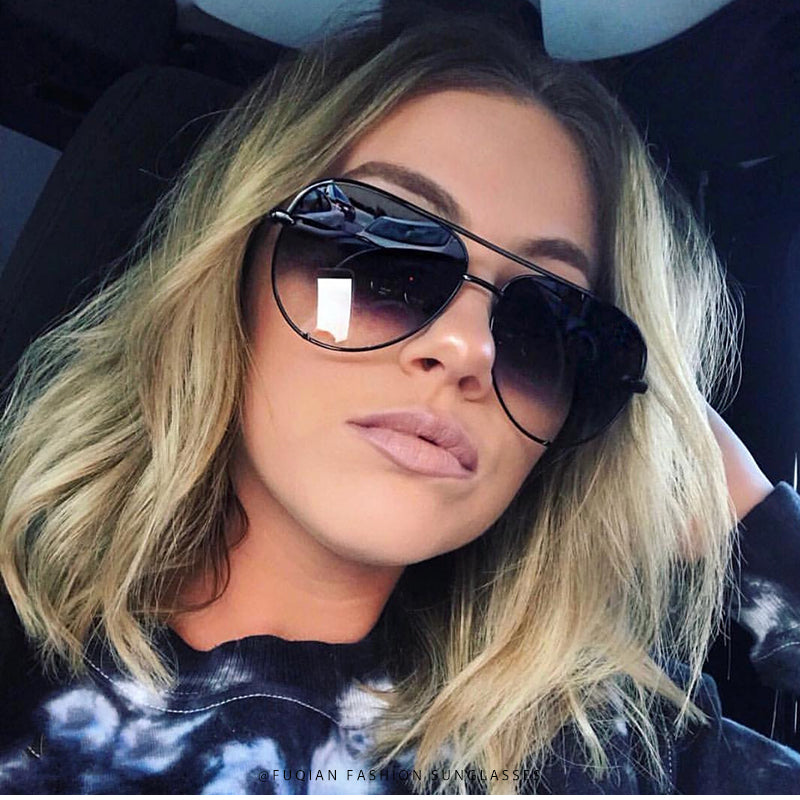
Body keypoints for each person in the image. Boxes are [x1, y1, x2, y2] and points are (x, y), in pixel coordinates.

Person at [0, 13, 799, 794]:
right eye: (378, 255)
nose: (468, 347)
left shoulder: (609, 746)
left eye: (549, 329)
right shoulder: (23, 680)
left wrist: (747, 516)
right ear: (227, 274)